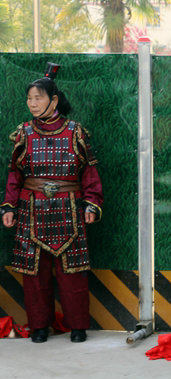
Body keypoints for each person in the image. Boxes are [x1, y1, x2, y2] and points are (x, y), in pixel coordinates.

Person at [0, 63, 103, 344]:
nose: (32, 104)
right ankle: (39, 327)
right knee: (34, 274)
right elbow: (14, 175)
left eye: (38, 98)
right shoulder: (23, 133)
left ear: (54, 100)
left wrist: (91, 203)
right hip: (30, 208)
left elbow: (90, 173)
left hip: (69, 208)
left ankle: (78, 326)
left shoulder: (76, 132)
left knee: (73, 272)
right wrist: (9, 206)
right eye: (29, 98)